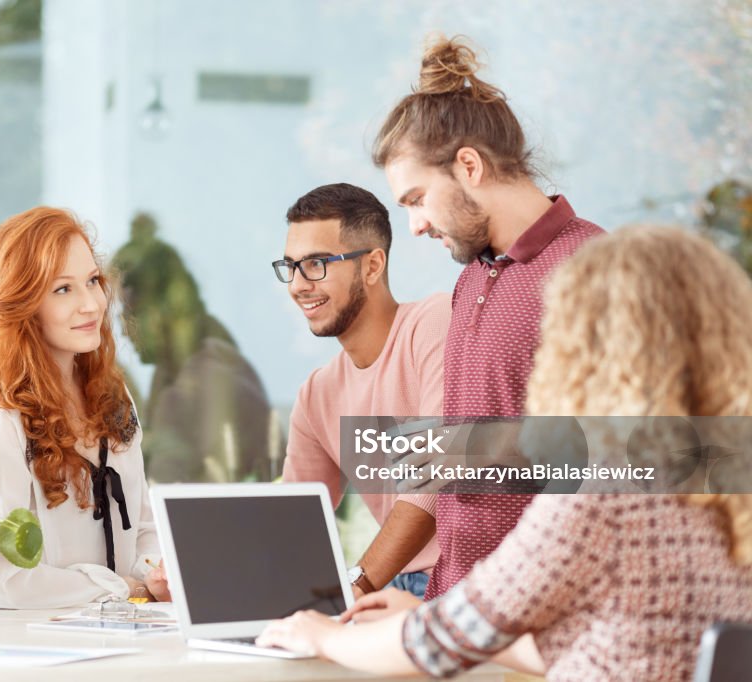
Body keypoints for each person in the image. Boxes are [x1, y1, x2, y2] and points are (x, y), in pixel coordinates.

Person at [258, 226, 752, 680]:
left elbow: (439, 645)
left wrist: (325, 635)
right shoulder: (732, 476)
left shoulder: (601, 495)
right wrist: (430, 616)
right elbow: (621, 642)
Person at [371, 34, 606, 599]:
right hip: (454, 607)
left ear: (469, 166)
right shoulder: (471, 279)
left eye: (417, 199)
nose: (416, 226)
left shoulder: (594, 270)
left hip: (537, 621)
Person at [0, 206, 168, 609]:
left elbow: (144, 529)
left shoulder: (113, 396)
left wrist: (159, 575)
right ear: (23, 303)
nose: (91, 304)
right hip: (37, 654)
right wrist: (123, 589)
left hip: (129, 644)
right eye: (63, 289)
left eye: (92, 281)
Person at [276, 183, 448, 598]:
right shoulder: (318, 393)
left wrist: (359, 583)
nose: (298, 285)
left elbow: (434, 481)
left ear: (372, 266)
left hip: (461, 582)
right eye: (290, 266)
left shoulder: (433, 324)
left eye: (316, 264)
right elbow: (291, 522)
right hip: (392, 587)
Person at [113, 212, 282, 483]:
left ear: (155, 314)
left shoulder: (202, 381)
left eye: (127, 312)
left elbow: (167, 494)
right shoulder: (192, 369)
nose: (122, 329)